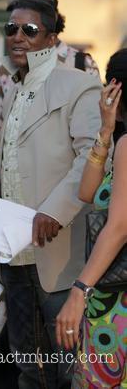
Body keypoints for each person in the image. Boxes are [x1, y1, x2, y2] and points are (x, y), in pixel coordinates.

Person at [0, 0, 100, 389]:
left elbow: (93, 157)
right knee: (28, 368)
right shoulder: (12, 89)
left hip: (60, 251)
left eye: (30, 30)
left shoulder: (78, 85)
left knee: (69, 368)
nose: (18, 37)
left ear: (52, 38)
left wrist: (55, 209)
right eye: (12, 29)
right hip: (14, 250)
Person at [56, 48, 127, 388]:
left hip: (117, 301)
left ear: (115, 89)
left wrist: (79, 290)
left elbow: (119, 226)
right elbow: (88, 192)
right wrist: (105, 130)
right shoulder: (119, 143)